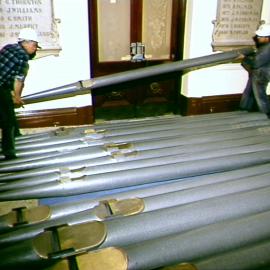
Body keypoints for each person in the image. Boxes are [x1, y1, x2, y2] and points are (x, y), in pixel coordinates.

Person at [0, 28, 40, 160]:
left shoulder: (8, 47)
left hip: (3, 86)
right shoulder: (23, 57)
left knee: (9, 113)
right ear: (26, 43)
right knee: (8, 121)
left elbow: (6, 73)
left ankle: (17, 138)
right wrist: (17, 97)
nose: (35, 49)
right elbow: (18, 80)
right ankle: (9, 152)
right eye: (34, 45)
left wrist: (10, 94)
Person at [239, 24, 270, 118]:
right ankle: (247, 109)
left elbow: (256, 62)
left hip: (261, 74)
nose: (258, 38)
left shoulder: (267, 49)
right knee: (255, 93)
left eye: (260, 36)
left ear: (267, 37)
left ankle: (265, 115)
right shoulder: (265, 46)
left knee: (260, 96)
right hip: (260, 73)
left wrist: (245, 58)